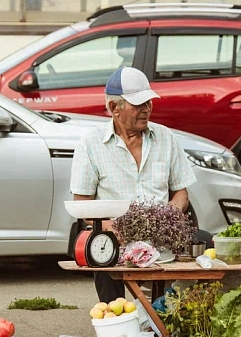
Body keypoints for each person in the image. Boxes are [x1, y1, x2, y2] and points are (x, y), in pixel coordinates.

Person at [70, 67, 196, 303]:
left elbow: (181, 192)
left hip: (162, 236)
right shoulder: (91, 144)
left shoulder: (165, 137)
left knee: (205, 242)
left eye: (148, 102)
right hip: (117, 237)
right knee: (100, 250)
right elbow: (82, 204)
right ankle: (115, 323)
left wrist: (170, 216)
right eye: (138, 104)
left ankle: (172, 316)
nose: (146, 109)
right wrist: (113, 228)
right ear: (114, 108)